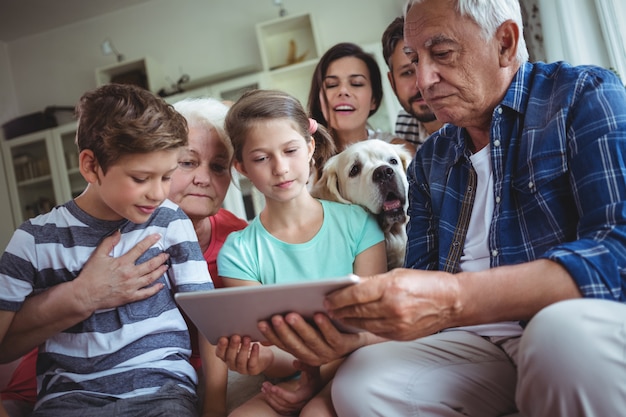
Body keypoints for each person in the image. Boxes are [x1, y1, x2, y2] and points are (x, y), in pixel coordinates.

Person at [249, 0, 626, 416]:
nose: (424, 80)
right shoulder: (432, 158)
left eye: (441, 53)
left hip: (566, 320)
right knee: (361, 384)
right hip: (475, 341)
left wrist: (457, 296)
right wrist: (355, 338)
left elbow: (618, 250)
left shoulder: (583, 95)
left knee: (558, 335)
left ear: (504, 43)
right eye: (413, 60)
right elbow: (422, 284)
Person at [0, 84, 216, 417]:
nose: (158, 193)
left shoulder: (170, 221)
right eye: (141, 178)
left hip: (160, 391)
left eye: (167, 176)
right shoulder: (33, 241)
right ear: (90, 165)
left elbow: (208, 320)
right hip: (67, 400)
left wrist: (215, 409)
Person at [215, 89, 388, 416]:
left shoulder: (358, 223)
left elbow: (376, 325)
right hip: (289, 377)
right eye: (261, 158)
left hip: (356, 365)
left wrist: (317, 379)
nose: (280, 168)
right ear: (241, 166)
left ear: (310, 147)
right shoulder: (238, 251)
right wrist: (264, 360)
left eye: (290, 150)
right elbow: (269, 351)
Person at [307, 42, 394, 154]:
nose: (343, 91)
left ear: (374, 99)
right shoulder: (305, 155)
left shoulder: (394, 150)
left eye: (356, 83)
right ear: (319, 101)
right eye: (331, 84)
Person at [381, 15, 444, 154]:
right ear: (392, 82)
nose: (421, 82)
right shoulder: (405, 125)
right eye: (407, 73)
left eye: (431, 66)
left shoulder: (473, 127)